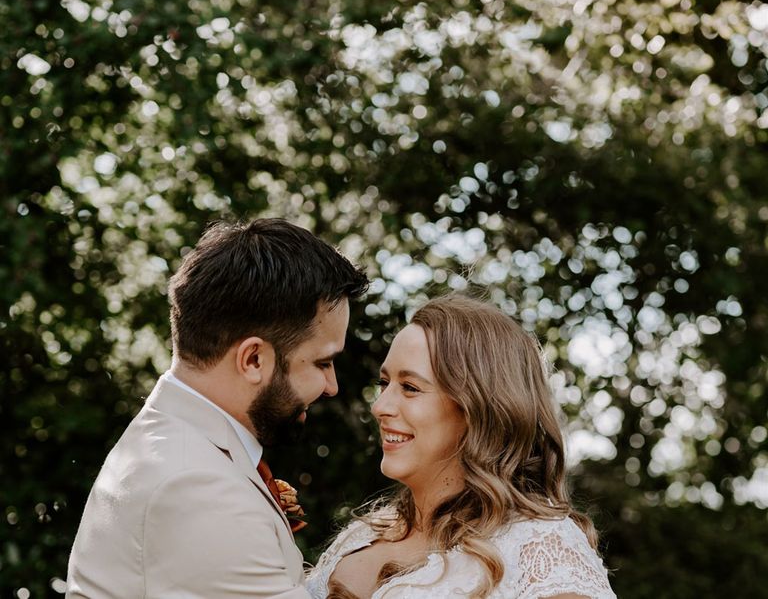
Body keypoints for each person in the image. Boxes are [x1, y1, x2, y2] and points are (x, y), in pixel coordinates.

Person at [67, 218, 368, 599]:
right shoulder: (199, 489)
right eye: (323, 363)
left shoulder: (169, 445)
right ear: (254, 359)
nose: (331, 386)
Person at [306, 294, 616, 599]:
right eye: (384, 384)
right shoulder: (359, 537)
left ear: (478, 409)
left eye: (410, 388)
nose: (380, 407)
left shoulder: (542, 548)